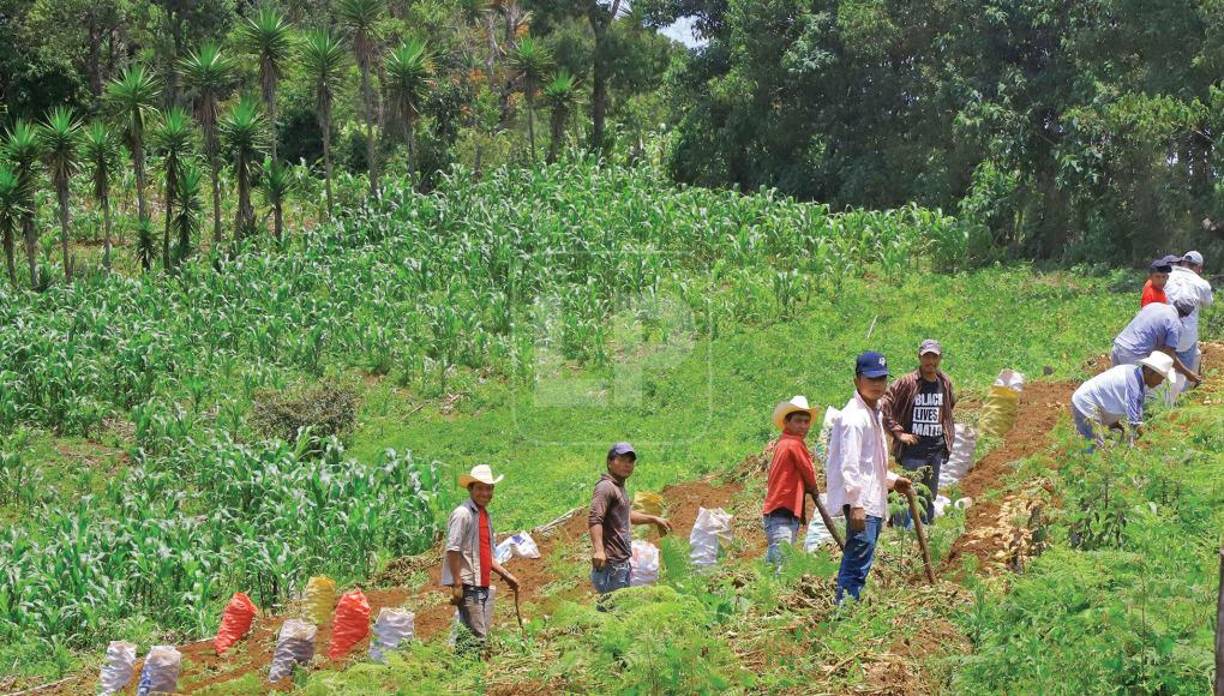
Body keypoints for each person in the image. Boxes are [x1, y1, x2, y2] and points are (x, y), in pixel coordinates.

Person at [826, 352, 912, 603]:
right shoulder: (854, 418)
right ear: (857, 381)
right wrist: (856, 504)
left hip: (871, 500)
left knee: (861, 562)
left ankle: (847, 610)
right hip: (863, 502)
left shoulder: (874, 414)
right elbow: (850, 465)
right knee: (856, 566)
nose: (877, 385)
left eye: (881, 379)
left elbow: (870, 465)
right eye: (870, 379)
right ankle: (843, 614)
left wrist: (893, 481)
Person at [442, 464, 519, 656]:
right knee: (479, 636)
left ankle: (459, 675)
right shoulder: (463, 514)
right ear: (470, 489)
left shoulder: (484, 515)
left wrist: (507, 575)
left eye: (489, 488)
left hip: (481, 583)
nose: (485, 493)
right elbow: (452, 549)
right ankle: (477, 679)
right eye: (480, 488)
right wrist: (457, 583)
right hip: (469, 584)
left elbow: (486, 556)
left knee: (468, 636)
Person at [880, 339, 956, 527]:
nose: (930, 361)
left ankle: (926, 534)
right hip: (913, 452)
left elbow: (949, 406)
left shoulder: (944, 382)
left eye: (934, 356)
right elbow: (884, 405)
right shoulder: (907, 382)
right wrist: (899, 433)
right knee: (908, 494)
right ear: (919, 357)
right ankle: (902, 535)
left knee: (929, 496)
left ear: (940, 358)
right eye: (926, 356)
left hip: (935, 450)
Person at [589, 443, 672, 596]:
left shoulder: (618, 487)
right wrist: (599, 550)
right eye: (621, 460)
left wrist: (653, 519)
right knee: (614, 611)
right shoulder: (606, 488)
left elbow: (626, 515)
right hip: (611, 565)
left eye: (630, 461)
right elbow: (595, 519)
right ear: (609, 462)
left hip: (620, 564)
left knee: (614, 610)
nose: (627, 465)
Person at [1070, 352, 1174, 450]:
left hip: (1086, 400)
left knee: (1100, 446)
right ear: (1150, 372)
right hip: (1085, 405)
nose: (1161, 382)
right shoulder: (1135, 387)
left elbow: (1110, 393)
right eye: (1161, 377)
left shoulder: (1132, 371)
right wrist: (1152, 442)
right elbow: (1135, 423)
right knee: (1095, 450)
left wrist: (1114, 422)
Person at [762, 395, 821, 566]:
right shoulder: (794, 443)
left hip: (779, 509)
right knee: (784, 563)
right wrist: (814, 489)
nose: (803, 426)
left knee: (775, 559)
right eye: (798, 421)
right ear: (787, 422)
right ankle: (778, 591)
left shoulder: (783, 442)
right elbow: (808, 471)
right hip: (783, 509)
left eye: (806, 421)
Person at [1110, 299, 1201, 384]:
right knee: (1136, 388)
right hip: (1133, 353)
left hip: (1118, 345)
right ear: (1186, 315)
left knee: (1117, 384)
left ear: (1175, 303)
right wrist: (1188, 374)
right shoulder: (1175, 324)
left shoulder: (1154, 305)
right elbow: (1168, 355)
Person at [1163, 250, 1214, 375]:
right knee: (1182, 377)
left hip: (1164, 332)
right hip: (1186, 337)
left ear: (1183, 262)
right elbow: (1208, 304)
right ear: (1199, 268)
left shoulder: (1167, 276)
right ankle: (1181, 391)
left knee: (1162, 371)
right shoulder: (1202, 284)